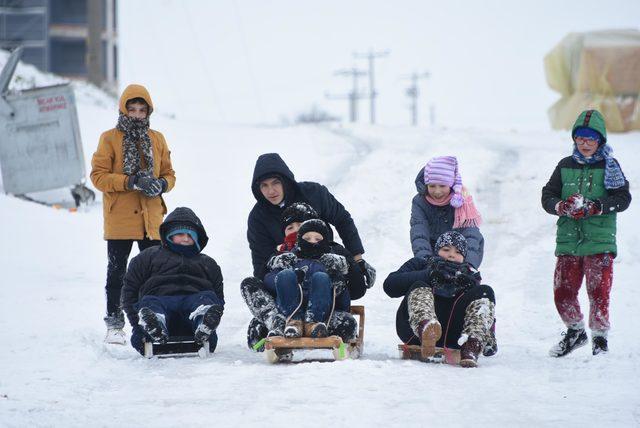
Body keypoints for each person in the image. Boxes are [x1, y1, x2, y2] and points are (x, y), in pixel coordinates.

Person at [91, 84, 176, 344]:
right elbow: (98, 177)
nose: (138, 114)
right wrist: (130, 182)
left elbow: (170, 175)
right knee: (117, 273)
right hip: (120, 219)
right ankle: (115, 323)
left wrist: (161, 184)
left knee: (153, 274)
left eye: (142, 109)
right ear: (123, 109)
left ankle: (152, 320)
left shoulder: (157, 138)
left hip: (151, 220)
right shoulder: (109, 138)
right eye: (132, 109)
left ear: (148, 111)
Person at [542, 109, 631, 357]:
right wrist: (560, 206)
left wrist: (597, 206)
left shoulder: (610, 167)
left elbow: (623, 199)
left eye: (590, 139)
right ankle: (575, 331)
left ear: (600, 140)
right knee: (563, 291)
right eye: (580, 138)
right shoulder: (564, 166)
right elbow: (547, 195)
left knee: (599, 292)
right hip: (569, 241)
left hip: (599, 242)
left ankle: (600, 338)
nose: (584, 143)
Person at [241, 203, 369, 349]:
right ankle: (277, 323)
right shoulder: (281, 254)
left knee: (347, 323)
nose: (295, 231)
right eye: (290, 228)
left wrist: (347, 268)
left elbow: (356, 288)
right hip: (287, 311)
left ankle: (309, 326)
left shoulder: (333, 250)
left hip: (324, 314)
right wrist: (279, 270)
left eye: (300, 225)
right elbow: (265, 281)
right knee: (252, 293)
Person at [410, 155, 497, 356]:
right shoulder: (420, 202)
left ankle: (485, 334)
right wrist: (426, 261)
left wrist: (467, 264)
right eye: (432, 186)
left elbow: (472, 235)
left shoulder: (462, 200)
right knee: (430, 286)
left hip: (460, 253)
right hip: (434, 253)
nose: (437, 191)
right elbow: (419, 231)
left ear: (451, 184)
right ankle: (429, 326)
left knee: (475, 289)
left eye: (442, 186)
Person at [246, 153, 374, 284]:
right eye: (264, 185)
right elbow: (260, 257)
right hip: (288, 274)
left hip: (323, 260)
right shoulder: (258, 217)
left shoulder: (314, 193)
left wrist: (357, 259)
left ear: (285, 181)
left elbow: (343, 220)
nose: (271, 191)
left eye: (275, 183)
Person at [121, 207, 224, 356]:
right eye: (180, 234)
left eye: (190, 235)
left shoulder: (208, 263)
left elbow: (218, 297)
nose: (185, 238)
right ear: (169, 235)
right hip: (160, 300)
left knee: (206, 298)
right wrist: (136, 325)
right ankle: (154, 323)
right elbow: (130, 290)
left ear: (197, 238)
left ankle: (203, 322)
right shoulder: (148, 257)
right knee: (150, 303)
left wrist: (213, 317)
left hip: (192, 304)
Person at [384, 231, 496, 368]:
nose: (451, 255)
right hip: (414, 334)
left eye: (458, 252)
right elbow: (390, 285)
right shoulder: (421, 263)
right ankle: (426, 328)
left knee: (485, 291)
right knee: (420, 285)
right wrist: (428, 275)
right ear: (437, 251)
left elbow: (482, 310)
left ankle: (473, 343)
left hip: (455, 337)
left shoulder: (469, 275)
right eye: (446, 249)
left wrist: (469, 287)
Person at [263, 219, 358, 340]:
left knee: (321, 277)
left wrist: (337, 278)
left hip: (322, 312)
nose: (312, 242)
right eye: (307, 239)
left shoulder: (330, 262)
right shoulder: (290, 259)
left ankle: (313, 322)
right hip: (291, 309)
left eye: (318, 239)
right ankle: (294, 322)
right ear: (299, 240)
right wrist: (290, 277)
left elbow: (344, 293)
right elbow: (268, 281)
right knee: (286, 274)